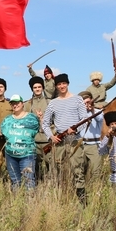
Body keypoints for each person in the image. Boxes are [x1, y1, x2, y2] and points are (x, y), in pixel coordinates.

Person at [42, 73, 87, 203]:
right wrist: (51, 136)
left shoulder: (78, 99)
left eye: (64, 83)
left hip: (74, 141)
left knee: (78, 170)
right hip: (59, 142)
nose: (62, 86)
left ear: (67, 84)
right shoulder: (53, 103)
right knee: (58, 170)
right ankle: (59, 198)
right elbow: (45, 123)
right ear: (56, 86)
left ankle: (82, 200)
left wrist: (75, 129)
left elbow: (84, 119)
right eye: (59, 84)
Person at [0, 95, 40, 191]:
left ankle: (30, 199)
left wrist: (41, 119)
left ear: (22, 104)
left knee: (29, 181)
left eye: (17, 103)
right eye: (13, 103)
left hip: (27, 155)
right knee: (15, 181)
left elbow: (40, 129)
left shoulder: (32, 118)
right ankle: (16, 199)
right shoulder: (7, 120)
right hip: (11, 156)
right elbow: (0, 132)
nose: (15, 105)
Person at [23, 76, 50, 177]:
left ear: (42, 88)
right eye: (35, 87)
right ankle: (36, 184)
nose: (37, 89)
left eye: (39, 87)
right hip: (33, 141)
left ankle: (51, 185)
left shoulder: (49, 102)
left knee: (51, 166)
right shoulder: (27, 104)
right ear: (32, 89)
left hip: (47, 140)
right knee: (34, 167)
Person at [77, 91, 104, 186]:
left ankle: (95, 189)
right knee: (80, 169)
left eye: (89, 102)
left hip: (94, 145)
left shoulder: (98, 112)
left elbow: (100, 119)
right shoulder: (78, 113)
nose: (87, 104)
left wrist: (92, 110)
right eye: (85, 103)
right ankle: (81, 189)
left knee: (96, 170)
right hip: (81, 144)